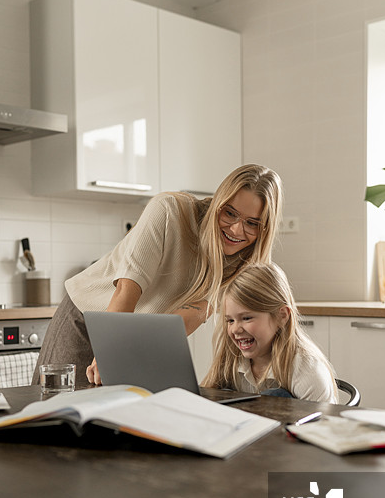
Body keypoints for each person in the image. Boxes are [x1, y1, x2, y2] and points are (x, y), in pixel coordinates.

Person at [33, 164, 283, 387]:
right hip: (87, 318)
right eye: (229, 213)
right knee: (54, 411)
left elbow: (182, 322)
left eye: (252, 223)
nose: (237, 229)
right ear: (218, 202)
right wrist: (111, 351)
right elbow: (127, 289)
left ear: (264, 229)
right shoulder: (169, 211)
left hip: (139, 337)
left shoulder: (242, 267)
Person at [202, 263, 337, 402]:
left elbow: (324, 423)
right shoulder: (231, 358)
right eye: (230, 320)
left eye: (246, 318)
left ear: (282, 316)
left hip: (299, 423)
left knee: (276, 396)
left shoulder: (306, 369)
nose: (235, 329)